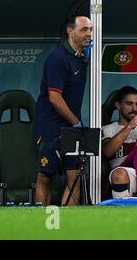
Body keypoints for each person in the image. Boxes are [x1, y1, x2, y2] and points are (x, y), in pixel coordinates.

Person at [34, 15, 93, 206]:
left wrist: (86, 58)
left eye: (91, 30)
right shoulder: (57, 58)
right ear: (70, 31)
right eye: (84, 30)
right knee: (45, 177)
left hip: (70, 129)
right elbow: (54, 98)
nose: (89, 34)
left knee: (74, 176)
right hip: (50, 128)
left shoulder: (81, 56)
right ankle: (41, 225)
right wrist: (76, 123)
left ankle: (67, 226)